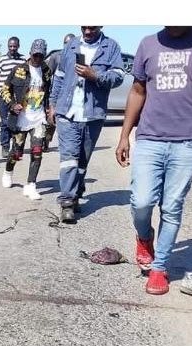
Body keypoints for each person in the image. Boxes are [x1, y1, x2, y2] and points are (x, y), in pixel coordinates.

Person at [114, 26, 192, 295]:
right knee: (141, 202)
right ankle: (144, 237)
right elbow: (137, 91)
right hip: (149, 138)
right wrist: (124, 135)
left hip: (188, 141)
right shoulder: (148, 42)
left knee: (172, 206)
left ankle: (159, 267)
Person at [49, 26, 124, 223]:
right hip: (67, 111)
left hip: (93, 114)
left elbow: (118, 76)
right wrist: (52, 104)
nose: (88, 31)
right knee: (69, 158)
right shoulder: (72, 45)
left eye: (92, 27)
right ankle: (66, 202)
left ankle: (75, 194)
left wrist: (95, 76)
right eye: (84, 27)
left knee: (83, 159)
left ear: (101, 25)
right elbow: (59, 77)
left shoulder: (111, 47)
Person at [0, 39, 53, 200]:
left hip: (38, 118)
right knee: (17, 152)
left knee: (37, 152)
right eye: (35, 55)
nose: (37, 58)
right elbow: (5, 90)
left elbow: (49, 92)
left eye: (40, 56)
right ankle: (8, 171)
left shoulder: (46, 71)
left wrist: (50, 109)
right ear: (30, 53)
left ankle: (31, 185)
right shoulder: (19, 70)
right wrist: (12, 104)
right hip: (21, 118)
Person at [0, 37, 26, 158]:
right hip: (3, 96)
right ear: (7, 46)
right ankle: (5, 145)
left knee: (17, 122)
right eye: (10, 46)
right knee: (5, 122)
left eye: (14, 46)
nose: (12, 48)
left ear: (18, 46)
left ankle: (16, 145)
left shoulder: (23, 60)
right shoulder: (1, 60)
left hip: (17, 97)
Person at [43, 32, 76, 150]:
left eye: (70, 44)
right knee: (51, 119)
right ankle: (46, 139)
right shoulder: (56, 56)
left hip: (71, 96)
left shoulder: (79, 57)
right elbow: (48, 75)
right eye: (66, 43)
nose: (68, 46)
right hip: (56, 94)